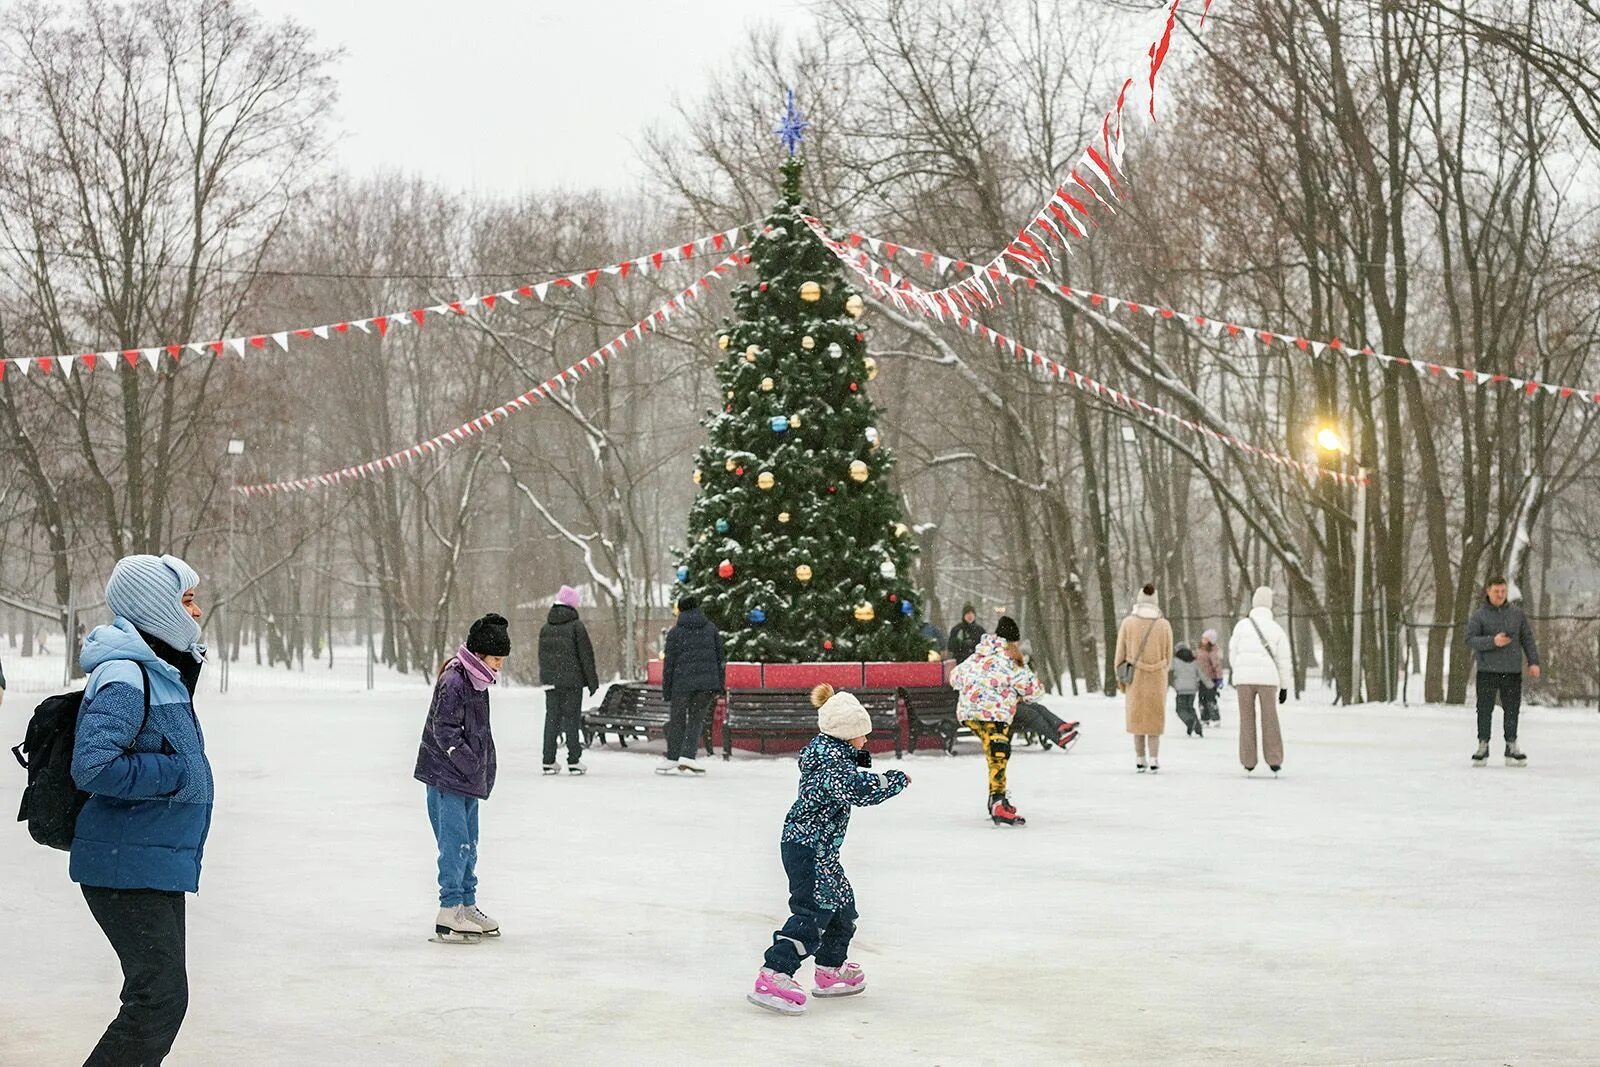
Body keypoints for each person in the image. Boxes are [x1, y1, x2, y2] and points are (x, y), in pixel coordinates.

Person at [70, 554, 214, 1066]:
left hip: (149, 858)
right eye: (187, 600)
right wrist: (178, 774)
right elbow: (93, 766)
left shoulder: (161, 671)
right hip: (123, 864)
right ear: (156, 607)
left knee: (159, 998)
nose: (196, 613)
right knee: (158, 1000)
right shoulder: (127, 674)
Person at [747, 683, 910, 1015]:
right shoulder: (830, 763)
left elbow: (851, 766)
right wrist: (890, 780)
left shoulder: (834, 752)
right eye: (862, 735)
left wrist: (860, 757)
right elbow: (856, 789)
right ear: (847, 734)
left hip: (821, 850)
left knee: (841, 907)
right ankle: (775, 973)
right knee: (813, 911)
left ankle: (830, 968)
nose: (866, 741)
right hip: (807, 847)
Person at [414, 613, 509, 942]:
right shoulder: (455, 680)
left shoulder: (477, 680)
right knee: (454, 844)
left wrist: (482, 767)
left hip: (465, 778)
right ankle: (449, 908)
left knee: (469, 843)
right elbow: (446, 732)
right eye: (496, 658)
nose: (499, 666)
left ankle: (467, 904)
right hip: (446, 777)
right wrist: (468, 763)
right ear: (481, 654)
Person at [949, 616, 1041, 825]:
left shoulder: (978, 655)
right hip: (994, 715)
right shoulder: (1011, 660)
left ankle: (997, 799)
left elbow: (955, 677)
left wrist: (977, 683)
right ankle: (998, 801)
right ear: (1012, 641)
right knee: (998, 751)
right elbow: (1033, 690)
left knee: (997, 751)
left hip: (969, 714)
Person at [1464, 575, 1541, 767]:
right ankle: (1483, 745)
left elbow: (1527, 638)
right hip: (1487, 670)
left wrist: (1533, 662)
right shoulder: (1479, 615)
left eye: (1503, 591)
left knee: (1512, 709)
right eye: (1496, 591)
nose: (1500, 595)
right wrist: (1492, 642)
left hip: (1512, 670)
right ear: (1488, 591)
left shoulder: (1517, 614)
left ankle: (1511, 745)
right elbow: (1470, 639)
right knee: (1484, 709)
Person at [1228, 587, 1293, 775]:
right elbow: (1284, 661)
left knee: (1246, 719)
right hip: (1268, 679)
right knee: (1270, 718)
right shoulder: (1276, 629)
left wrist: (1238, 671)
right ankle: (1274, 759)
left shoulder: (1241, 626)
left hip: (1244, 679)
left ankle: (1248, 760)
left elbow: (1233, 653)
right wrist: (1284, 687)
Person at [538, 585, 599, 776]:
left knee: (552, 719)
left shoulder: (546, 628)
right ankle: (574, 760)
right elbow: (585, 655)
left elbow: (542, 657)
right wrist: (592, 681)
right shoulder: (576, 626)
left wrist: (548, 677)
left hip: (551, 682)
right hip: (572, 682)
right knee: (572, 719)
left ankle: (548, 761)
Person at [660, 596, 725, 776]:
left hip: (681, 685)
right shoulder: (711, 629)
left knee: (677, 720)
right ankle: (688, 756)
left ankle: (673, 757)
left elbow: (669, 665)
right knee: (696, 720)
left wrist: (667, 690)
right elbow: (720, 659)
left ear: (680, 610)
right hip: (706, 685)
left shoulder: (674, 632)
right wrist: (720, 685)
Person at [1116, 584, 1174, 773]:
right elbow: (1168, 655)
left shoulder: (1128, 623)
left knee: (1137, 719)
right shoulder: (1164, 625)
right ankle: (1155, 758)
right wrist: (1163, 671)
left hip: (1136, 677)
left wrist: (1121, 679)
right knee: (1155, 719)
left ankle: (1140, 758)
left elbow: (1120, 654)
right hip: (1157, 676)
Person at [1171, 642, 1205, 737]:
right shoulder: (1194, 662)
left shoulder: (1175, 661)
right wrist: (1210, 684)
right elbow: (1201, 674)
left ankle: (1190, 722)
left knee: (1180, 709)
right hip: (1192, 689)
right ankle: (1198, 729)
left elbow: (1169, 671)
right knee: (1190, 708)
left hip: (1181, 689)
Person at [1195, 629, 1226, 726]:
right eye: (1203, 638)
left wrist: (1219, 678)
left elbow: (1217, 666)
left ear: (1210, 641)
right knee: (1202, 699)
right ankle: (1204, 718)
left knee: (1210, 699)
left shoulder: (1212, 652)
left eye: (1206, 639)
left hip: (1210, 679)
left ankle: (1215, 718)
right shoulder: (1199, 650)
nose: (1203, 640)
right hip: (1201, 679)